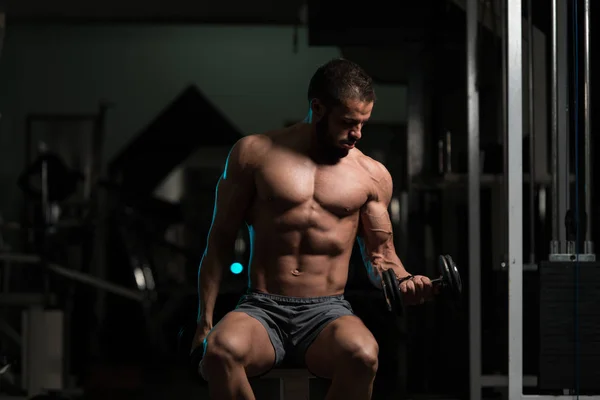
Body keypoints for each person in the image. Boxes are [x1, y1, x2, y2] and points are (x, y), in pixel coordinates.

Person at [192, 58, 434, 400]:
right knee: (220, 351)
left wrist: (406, 280)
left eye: (364, 123)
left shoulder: (372, 175)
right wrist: (204, 322)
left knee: (363, 355)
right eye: (348, 122)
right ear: (317, 108)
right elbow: (218, 241)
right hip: (262, 308)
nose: (358, 134)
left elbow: (382, 257)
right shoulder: (253, 154)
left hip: (328, 312)